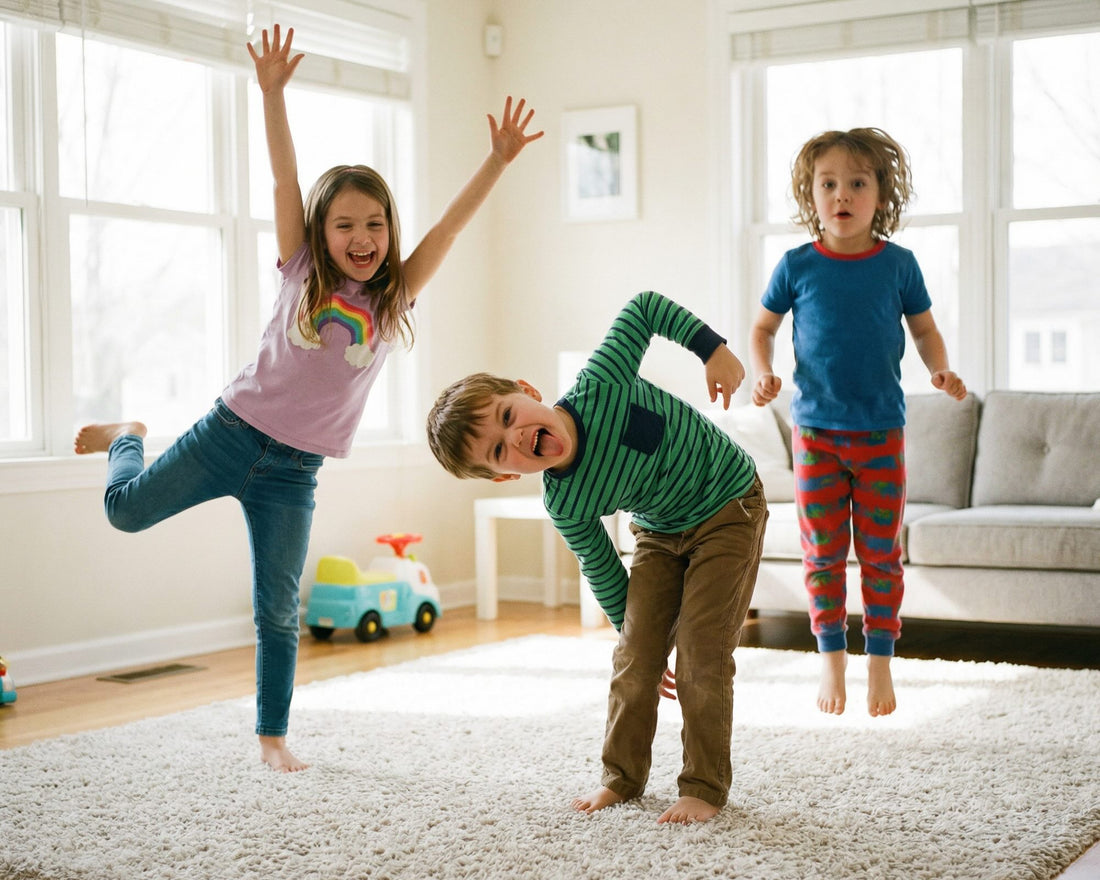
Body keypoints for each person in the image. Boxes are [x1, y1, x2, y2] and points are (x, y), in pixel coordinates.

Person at [73, 24, 543, 773]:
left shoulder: (393, 297)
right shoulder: (300, 268)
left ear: (389, 232)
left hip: (293, 474)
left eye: (375, 224)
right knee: (124, 512)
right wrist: (272, 94)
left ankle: (272, 738)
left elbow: (449, 231)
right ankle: (128, 434)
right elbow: (283, 180)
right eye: (345, 224)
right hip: (229, 433)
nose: (362, 237)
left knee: (277, 608)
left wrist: (497, 160)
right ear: (321, 233)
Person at [426, 291, 769, 825]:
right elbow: (604, 570)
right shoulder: (564, 502)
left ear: (527, 391)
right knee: (633, 658)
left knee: (701, 651)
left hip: (729, 506)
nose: (516, 436)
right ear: (505, 475)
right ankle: (621, 779)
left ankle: (703, 787)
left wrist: (712, 350)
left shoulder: (603, 380)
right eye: (498, 450)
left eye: (509, 415)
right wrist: (639, 640)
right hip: (660, 532)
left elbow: (644, 307)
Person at [748, 127, 967, 718]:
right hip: (815, 437)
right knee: (822, 554)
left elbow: (924, 329)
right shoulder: (796, 266)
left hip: (880, 435)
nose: (841, 194)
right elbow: (763, 328)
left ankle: (879, 660)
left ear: (881, 194)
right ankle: (831, 655)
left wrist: (940, 370)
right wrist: (763, 373)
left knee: (879, 555)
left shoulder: (898, 265)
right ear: (811, 195)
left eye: (857, 183)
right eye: (828, 184)